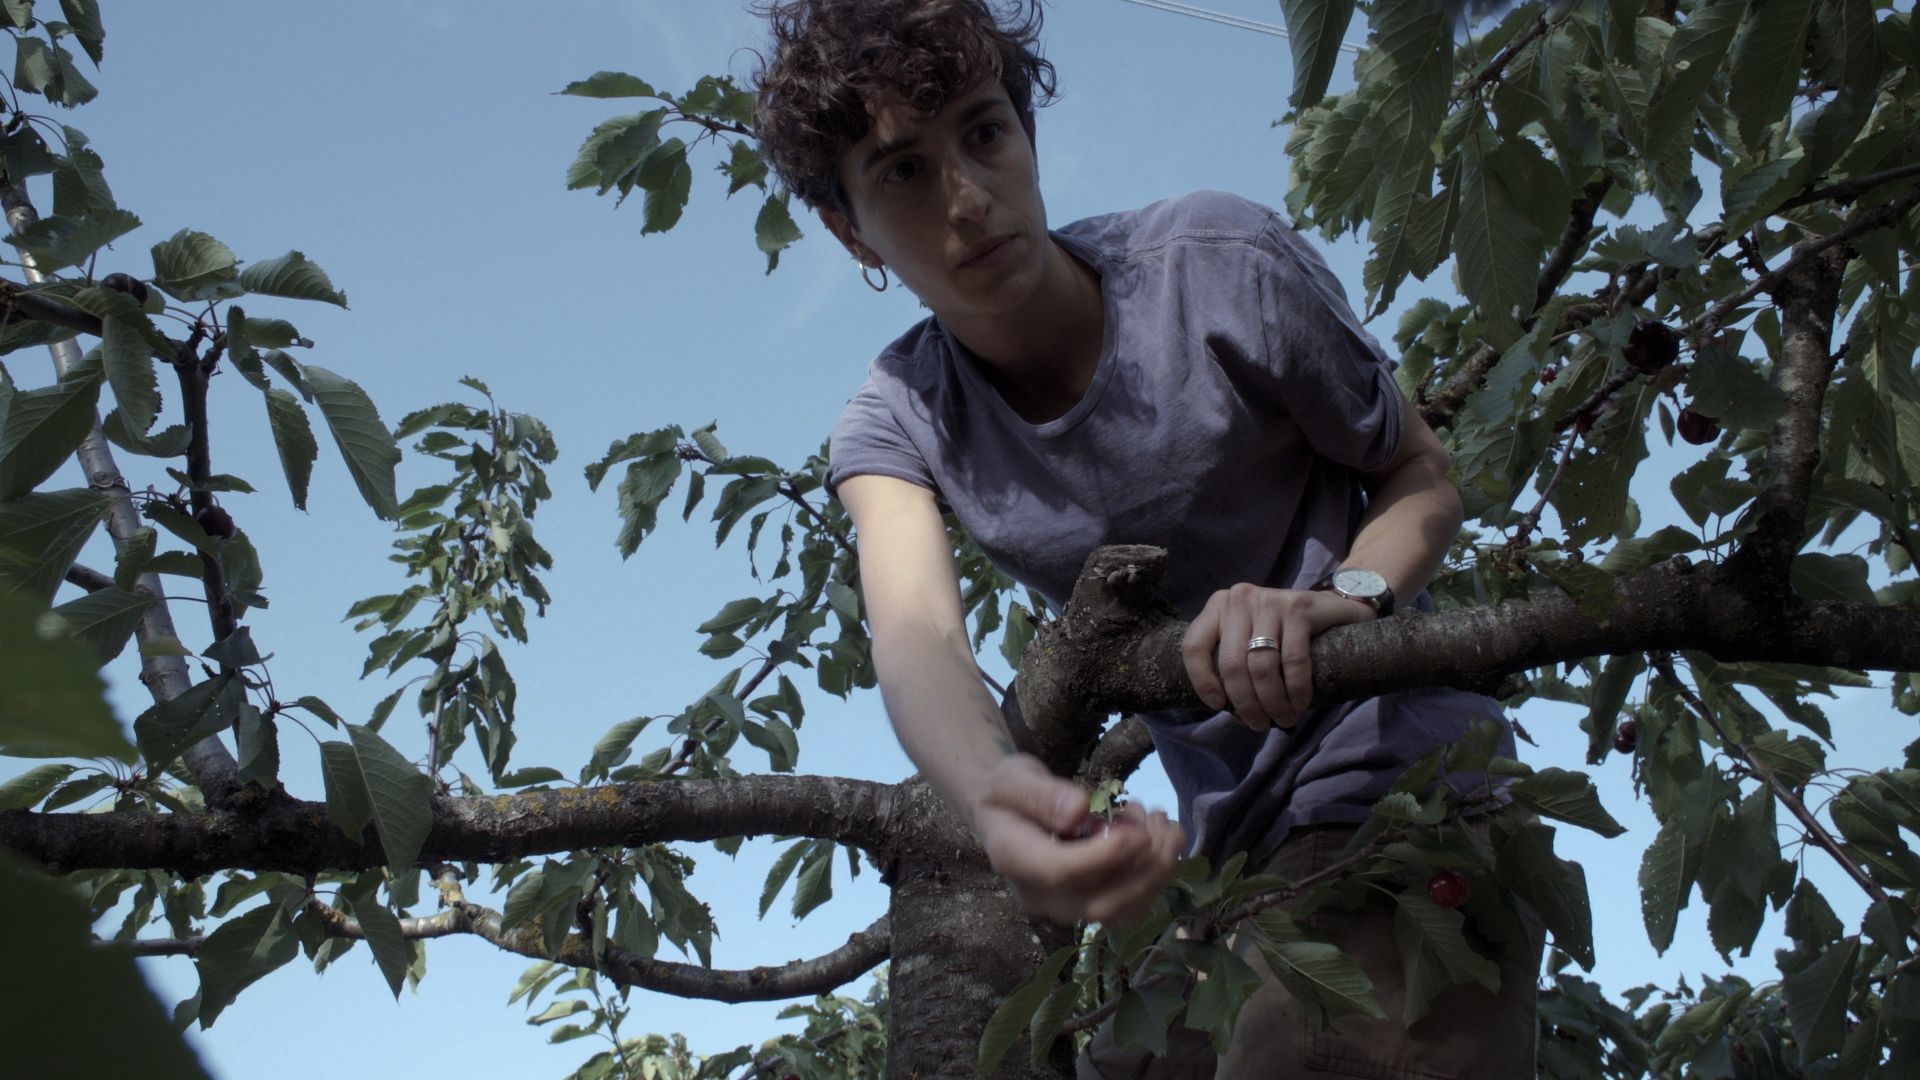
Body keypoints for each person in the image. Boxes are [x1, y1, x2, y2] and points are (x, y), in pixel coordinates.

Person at [751, 0, 1541, 1073]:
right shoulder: (897, 420)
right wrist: (991, 792)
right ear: (850, 231)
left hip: (1401, 784)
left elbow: (1423, 476)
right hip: (1220, 855)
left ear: (1024, 133)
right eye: (902, 172)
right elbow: (917, 638)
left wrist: (1343, 593)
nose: (968, 197)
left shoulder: (1221, 266)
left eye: (984, 133)